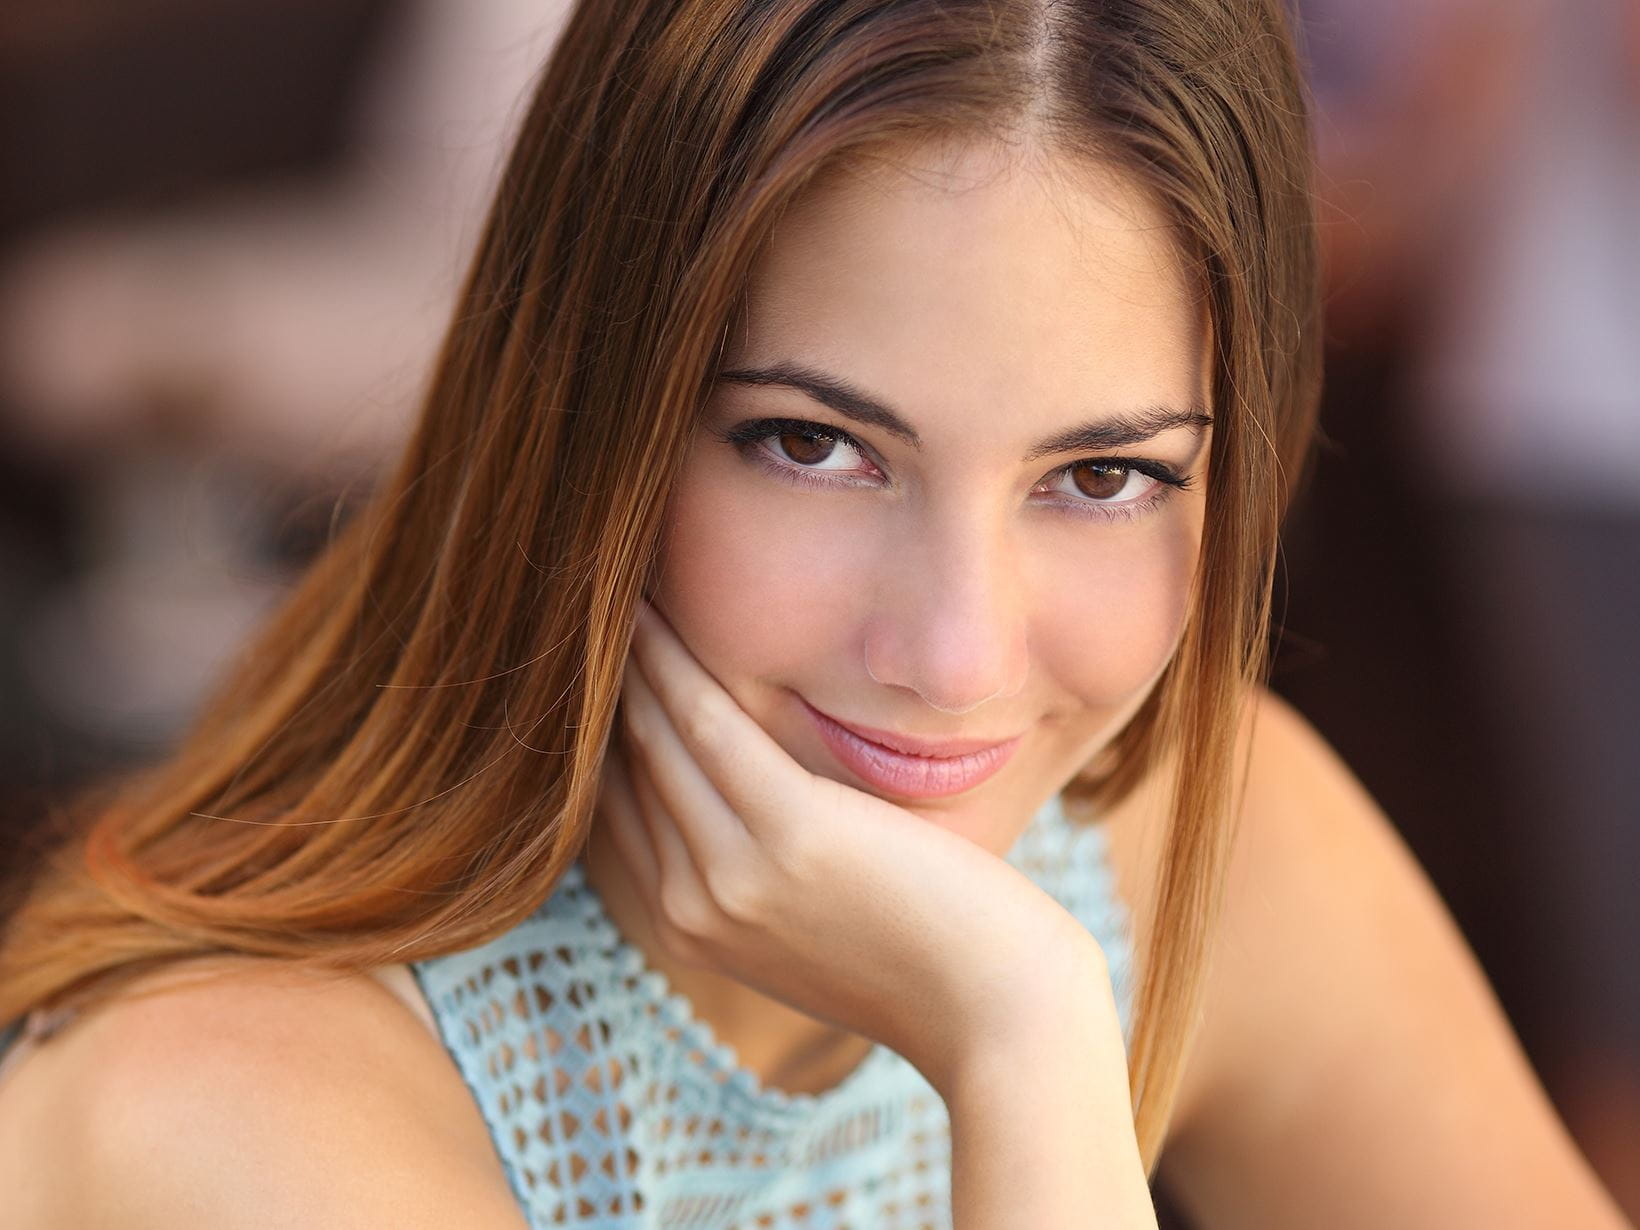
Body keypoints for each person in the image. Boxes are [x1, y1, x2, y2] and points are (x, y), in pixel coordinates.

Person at [0, 1, 1627, 1226]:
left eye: (1107, 475)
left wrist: (1025, 1034)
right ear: (584, 420)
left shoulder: (1174, 835)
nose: (959, 655)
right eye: (815, 445)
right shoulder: (226, 1110)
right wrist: (1025, 1061)